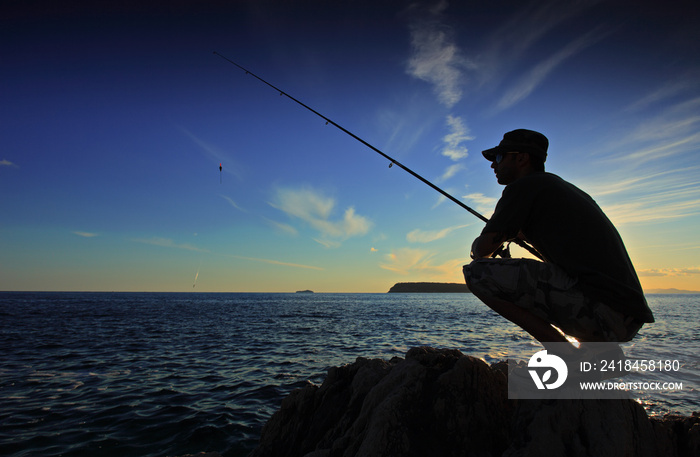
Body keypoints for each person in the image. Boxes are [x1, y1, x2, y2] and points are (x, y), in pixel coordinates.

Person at [463, 129, 654, 346]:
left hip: (603, 312)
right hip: (624, 317)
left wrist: (483, 242)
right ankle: (594, 355)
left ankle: (564, 354)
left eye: (498, 157)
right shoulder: (562, 189)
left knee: (477, 272)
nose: (493, 165)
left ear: (522, 158)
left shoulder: (524, 187)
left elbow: (482, 251)